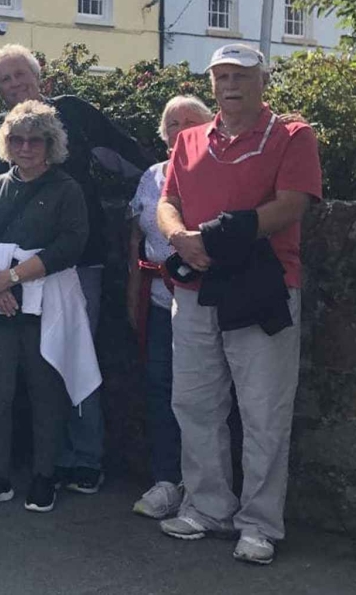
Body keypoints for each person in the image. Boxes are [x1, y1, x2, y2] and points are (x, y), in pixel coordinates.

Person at [156, 44, 321, 566]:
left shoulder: (293, 135)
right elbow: (168, 201)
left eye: (241, 76)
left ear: (262, 82)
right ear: (211, 84)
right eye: (221, 76)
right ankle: (208, 509)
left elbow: (292, 205)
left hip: (261, 285)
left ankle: (259, 524)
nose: (230, 85)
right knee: (195, 403)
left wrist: (219, 236)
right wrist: (179, 237)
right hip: (196, 288)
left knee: (264, 410)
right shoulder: (189, 139)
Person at [0, 45, 151, 494]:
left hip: (76, 264)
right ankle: (40, 461)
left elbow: (134, 160)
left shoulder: (73, 112)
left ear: (40, 75)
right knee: (25, 369)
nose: (15, 85)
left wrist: (161, 202)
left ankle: (83, 457)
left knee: (75, 356)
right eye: (4, 80)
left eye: (21, 74)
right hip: (8, 277)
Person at [0, 100, 95, 515]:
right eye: (17, 139)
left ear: (51, 144)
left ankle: (43, 475)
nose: (26, 147)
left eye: (36, 140)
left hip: (47, 302)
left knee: (46, 391)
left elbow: (71, 244)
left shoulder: (67, 189)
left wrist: (12, 278)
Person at [127, 95, 215, 521]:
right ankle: (166, 480)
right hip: (158, 301)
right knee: (160, 388)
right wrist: (132, 296)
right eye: (173, 123)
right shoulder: (151, 176)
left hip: (204, 299)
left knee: (207, 395)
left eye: (190, 122)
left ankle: (205, 489)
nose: (181, 130)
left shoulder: (217, 172)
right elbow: (136, 239)